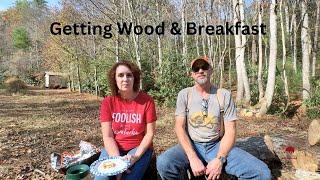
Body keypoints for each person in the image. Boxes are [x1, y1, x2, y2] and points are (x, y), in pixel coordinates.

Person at [156, 56, 271, 180]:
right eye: (196, 68)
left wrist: (220, 159)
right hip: (192, 144)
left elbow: (231, 131)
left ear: (211, 70)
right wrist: (193, 157)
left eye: (204, 67)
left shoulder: (223, 95)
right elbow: (179, 127)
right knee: (164, 163)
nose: (200, 71)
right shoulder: (184, 95)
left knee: (262, 173)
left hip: (217, 145)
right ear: (192, 74)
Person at [95, 60, 157, 180]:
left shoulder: (147, 101)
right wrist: (118, 162)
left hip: (139, 148)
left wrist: (136, 157)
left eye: (129, 75)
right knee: (101, 178)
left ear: (135, 78)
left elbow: (150, 134)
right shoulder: (108, 102)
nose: (125, 79)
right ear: (115, 79)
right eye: (120, 75)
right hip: (114, 148)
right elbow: (107, 136)